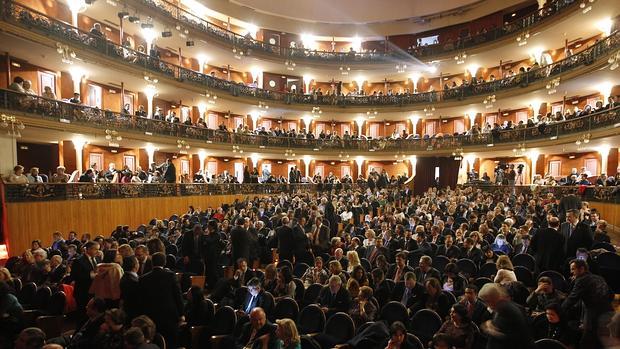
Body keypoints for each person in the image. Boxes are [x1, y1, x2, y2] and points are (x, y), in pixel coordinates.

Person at [562, 259, 613, 349]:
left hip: (593, 316)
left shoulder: (582, 280)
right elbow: (611, 295)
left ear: (582, 269)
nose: (571, 272)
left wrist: (560, 310)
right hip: (609, 312)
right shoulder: (599, 277)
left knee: (586, 343)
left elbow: (572, 299)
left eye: (573, 269)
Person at [139, 252, 184, 348]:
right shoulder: (171, 276)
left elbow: (141, 299)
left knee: (155, 341)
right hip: (169, 315)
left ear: (152, 263)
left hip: (151, 315)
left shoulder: (143, 278)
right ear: (165, 262)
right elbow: (178, 296)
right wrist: (181, 313)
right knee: (171, 342)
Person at [70, 241, 100, 321]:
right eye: (96, 249)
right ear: (89, 249)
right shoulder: (78, 260)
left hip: (93, 291)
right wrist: (90, 275)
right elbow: (74, 276)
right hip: (82, 292)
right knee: (82, 315)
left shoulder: (97, 258)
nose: (98, 251)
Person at [120, 256, 140, 322]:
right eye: (138, 262)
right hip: (132, 311)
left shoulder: (126, 276)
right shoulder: (132, 281)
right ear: (135, 266)